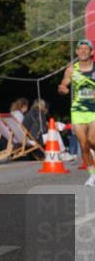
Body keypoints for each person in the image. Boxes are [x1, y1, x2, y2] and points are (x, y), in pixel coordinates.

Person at [58, 39, 95, 187]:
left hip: (94, 110)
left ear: (91, 52)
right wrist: (62, 89)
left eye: (86, 49)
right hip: (78, 111)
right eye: (81, 49)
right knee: (84, 144)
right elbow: (63, 84)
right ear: (77, 52)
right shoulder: (71, 69)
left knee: (92, 140)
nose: (83, 51)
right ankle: (93, 176)